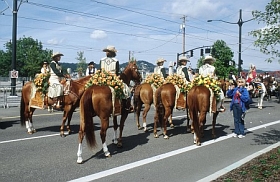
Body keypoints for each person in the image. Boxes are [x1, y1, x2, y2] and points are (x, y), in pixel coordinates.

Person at [99, 45, 131, 110]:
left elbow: (99, 70)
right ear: (113, 53)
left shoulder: (101, 60)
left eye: (107, 51)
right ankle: (126, 106)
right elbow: (117, 71)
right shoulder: (116, 60)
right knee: (125, 90)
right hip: (113, 78)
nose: (106, 53)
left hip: (102, 78)